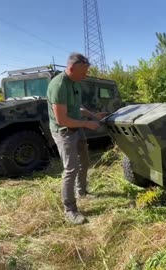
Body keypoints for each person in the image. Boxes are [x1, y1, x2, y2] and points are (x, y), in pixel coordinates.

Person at [47, 53, 107, 224]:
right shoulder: (59, 85)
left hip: (77, 127)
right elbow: (62, 120)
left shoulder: (75, 82)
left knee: (85, 161)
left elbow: (76, 108)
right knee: (70, 169)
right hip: (64, 131)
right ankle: (70, 210)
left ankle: (82, 191)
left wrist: (93, 115)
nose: (85, 75)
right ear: (71, 68)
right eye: (83, 72)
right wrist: (87, 124)